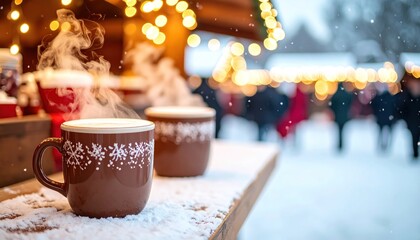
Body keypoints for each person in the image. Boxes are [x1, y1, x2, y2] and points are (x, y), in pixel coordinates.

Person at [396, 73, 420, 160]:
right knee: (414, 138)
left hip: (415, 121)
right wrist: (405, 119)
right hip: (412, 122)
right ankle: (415, 153)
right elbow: (402, 109)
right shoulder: (407, 96)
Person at [371, 83, 397, 151]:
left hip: (382, 117)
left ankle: (382, 145)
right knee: (385, 133)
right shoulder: (390, 97)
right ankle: (385, 145)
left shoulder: (379, 97)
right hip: (388, 118)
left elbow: (374, 106)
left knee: (381, 132)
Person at [329, 83, 353, 151]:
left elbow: (331, 105)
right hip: (344, 116)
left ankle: (339, 144)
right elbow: (350, 102)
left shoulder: (336, 94)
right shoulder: (346, 94)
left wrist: (335, 111)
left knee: (338, 131)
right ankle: (342, 144)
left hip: (337, 116)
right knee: (343, 131)